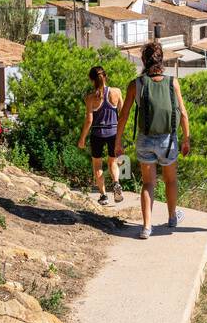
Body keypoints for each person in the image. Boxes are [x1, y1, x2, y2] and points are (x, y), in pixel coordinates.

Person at [114, 41, 191, 239]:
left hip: (145, 140)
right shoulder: (172, 82)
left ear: (143, 60)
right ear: (161, 60)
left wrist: (118, 142)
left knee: (148, 184)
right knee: (170, 180)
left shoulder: (136, 84)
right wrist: (186, 139)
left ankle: (147, 227)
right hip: (168, 141)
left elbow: (123, 116)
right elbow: (183, 113)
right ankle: (172, 217)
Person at [76, 65, 124, 205]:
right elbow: (122, 115)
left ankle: (103, 196)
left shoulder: (90, 98)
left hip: (97, 134)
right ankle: (116, 183)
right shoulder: (117, 92)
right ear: (105, 76)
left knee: (97, 165)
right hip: (114, 132)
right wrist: (121, 136)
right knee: (113, 162)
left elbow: (89, 120)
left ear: (92, 80)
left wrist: (82, 138)